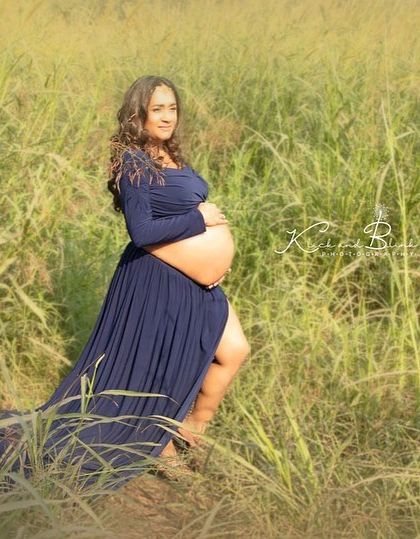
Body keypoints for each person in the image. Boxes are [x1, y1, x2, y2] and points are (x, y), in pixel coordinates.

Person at [0, 75, 250, 491]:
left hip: (196, 283)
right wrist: (201, 220)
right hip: (156, 282)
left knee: (234, 351)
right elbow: (142, 232)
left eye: (172, 108)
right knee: (157, 371)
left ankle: (190, 430)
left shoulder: (170, 154)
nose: (167, 116)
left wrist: (211, 251)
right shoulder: (132, 161)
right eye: (157, 109)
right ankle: (161, 444)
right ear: (139, 114)